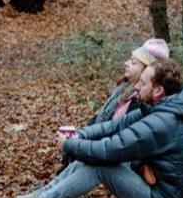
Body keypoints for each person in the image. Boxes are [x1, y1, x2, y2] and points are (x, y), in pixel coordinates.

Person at [5, 59, 183, 198]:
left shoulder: (164, 121)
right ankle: (41, 197)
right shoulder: (161, 107)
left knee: (100, 164)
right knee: (91, 155)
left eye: (143, 83)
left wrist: (69, 145)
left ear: (158, 91)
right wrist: (81, 135)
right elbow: (115, 126)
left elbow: (113, 149)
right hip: (154, 187)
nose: (136, 87)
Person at [59, 38, 170, 168]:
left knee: (85, 162)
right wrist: (81, 135)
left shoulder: (141, 102)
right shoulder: (123, 89)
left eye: (133, 63)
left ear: (146, 72)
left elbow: (120, 137)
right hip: (106, 144)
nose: (126, 63)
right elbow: (103, 121)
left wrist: (79, 145)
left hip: (119, 154)